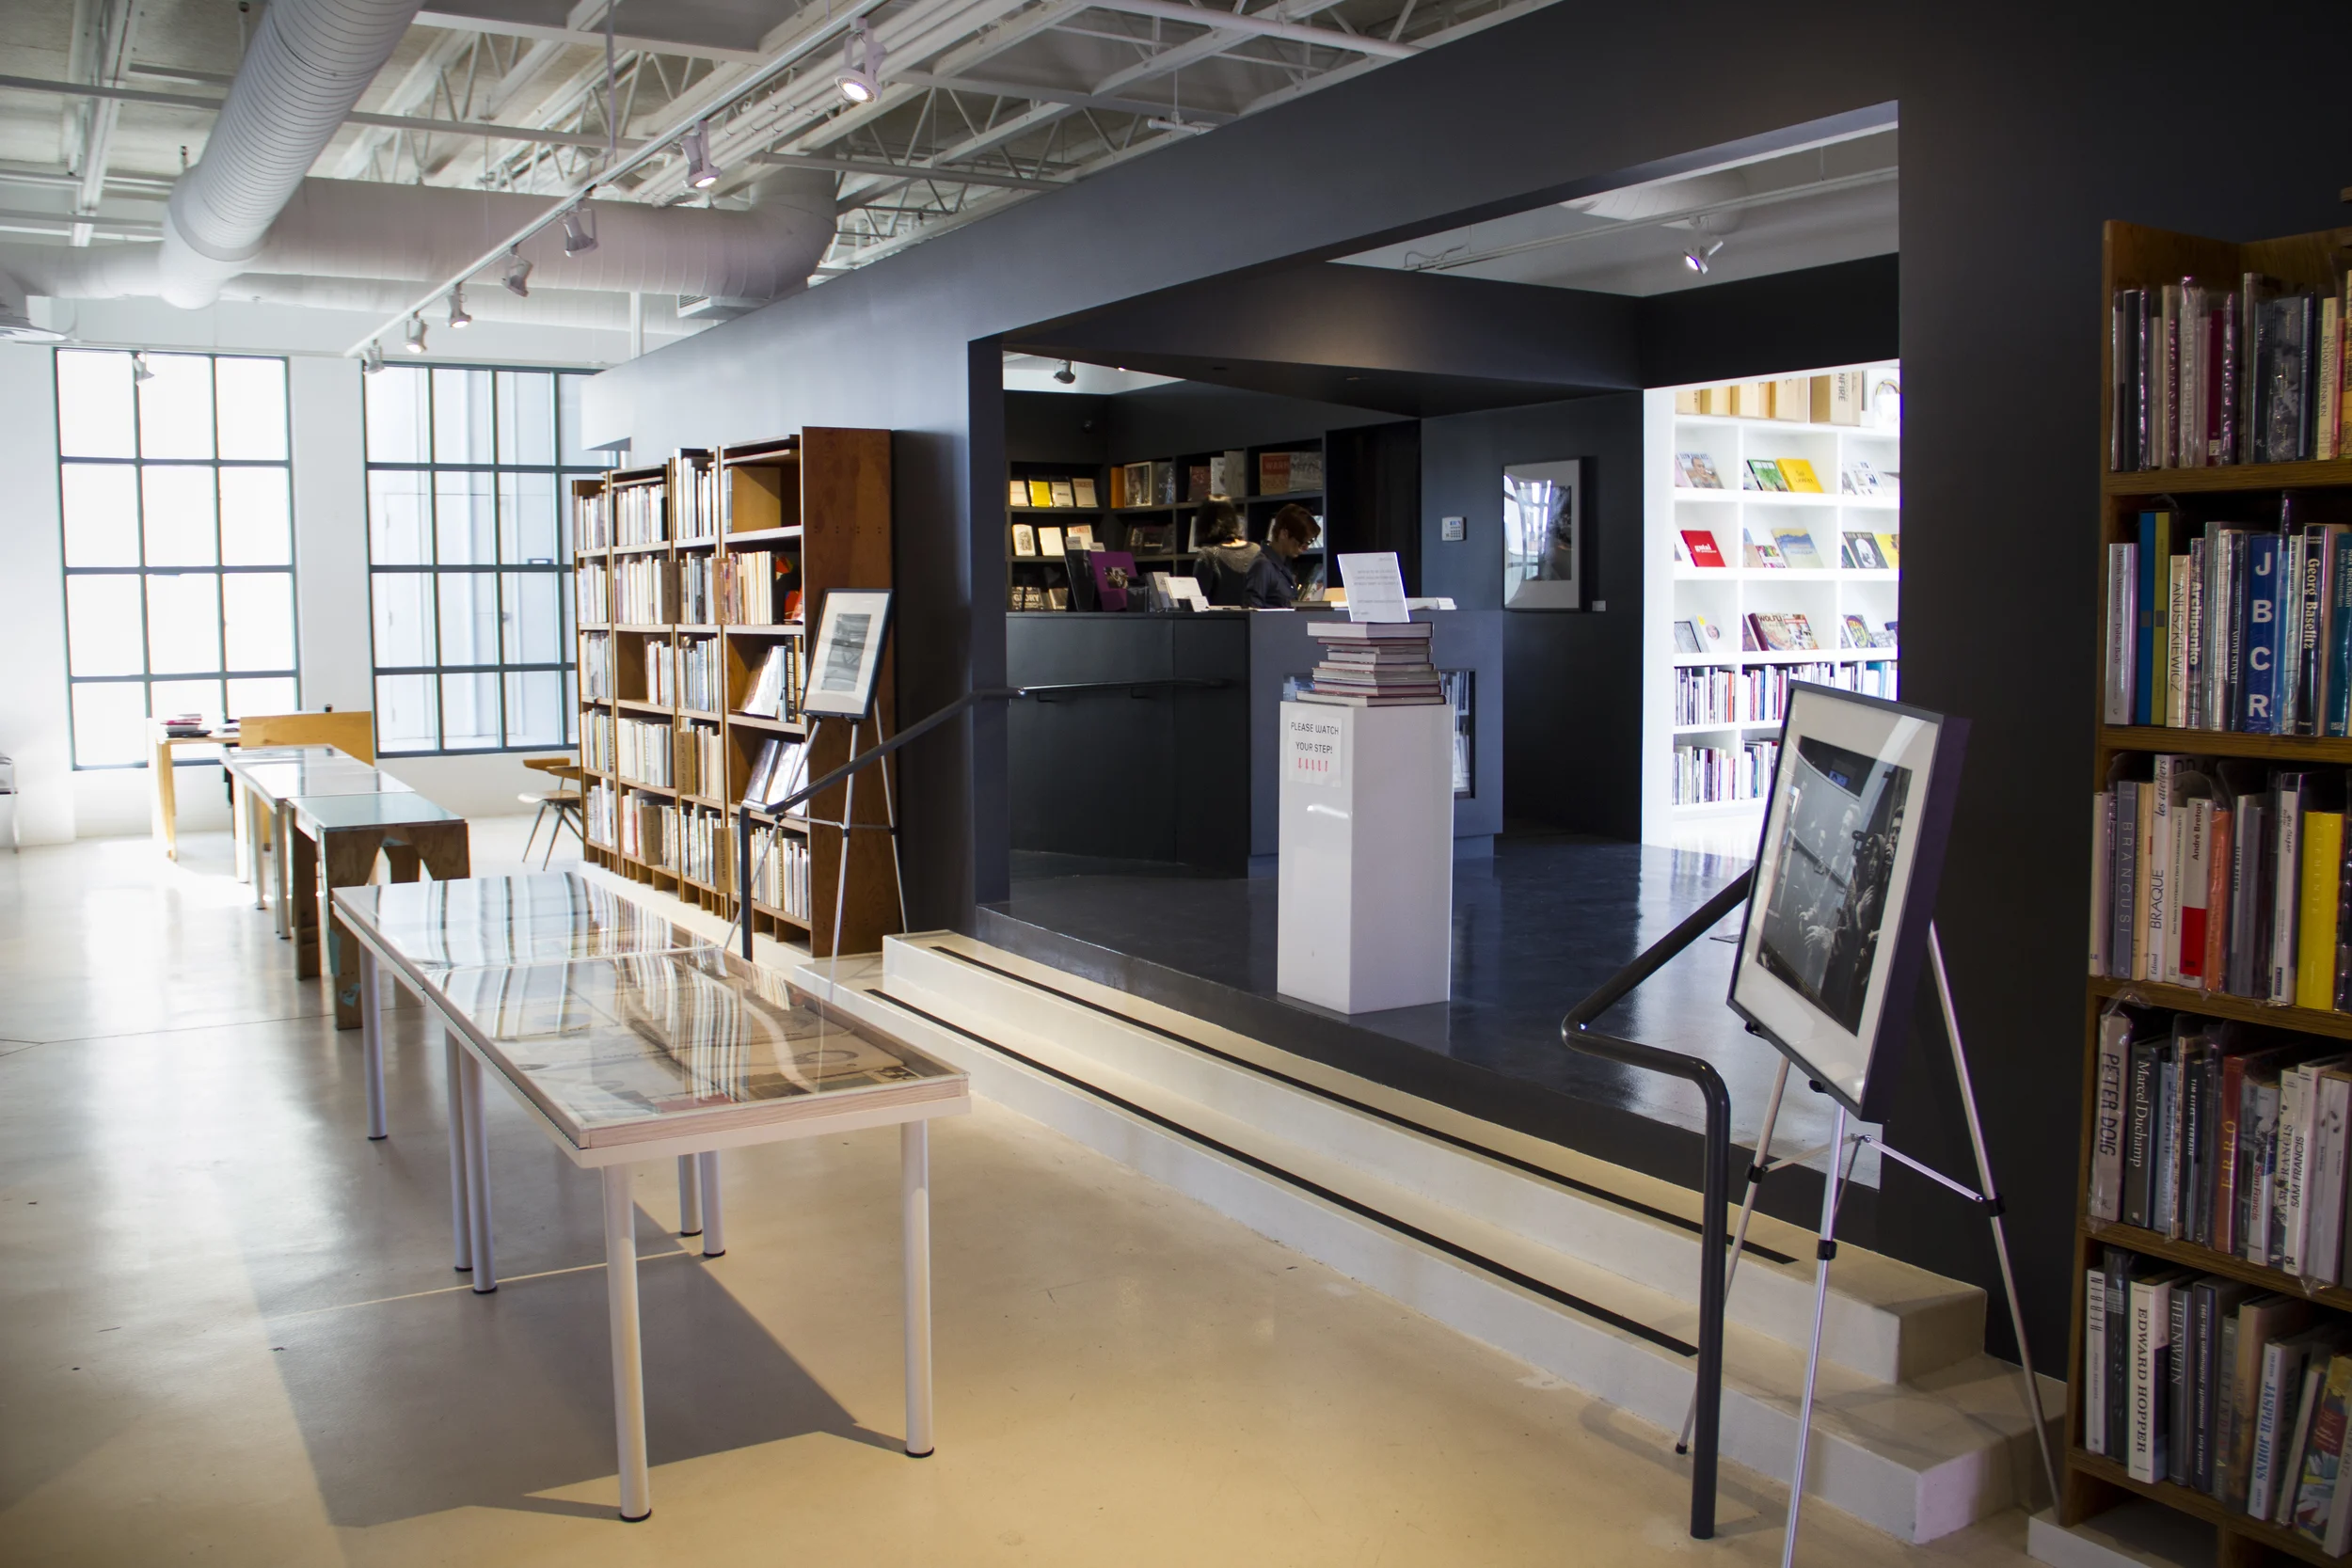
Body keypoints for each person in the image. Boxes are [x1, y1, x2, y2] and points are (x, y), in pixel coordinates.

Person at [1191, 499, 1259, 606]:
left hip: (1221, 617)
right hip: (1260, 616)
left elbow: (1196, 605)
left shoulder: (1208, 556)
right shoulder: (1257, 550)